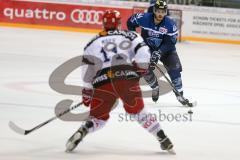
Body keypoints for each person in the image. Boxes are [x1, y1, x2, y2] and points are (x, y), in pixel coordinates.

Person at [65, 9, 174, 153]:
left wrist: (87, 90)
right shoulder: (130, 35)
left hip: (102, 80)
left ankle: (84, 129)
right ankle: (162, 136)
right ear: (118, 23)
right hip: (126, 77)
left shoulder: (92, 42)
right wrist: (141, 68)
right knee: (139, 112)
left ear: (103, 23)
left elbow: (87, 69)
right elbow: (143, 53)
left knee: (99, 118)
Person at [127, 0, 189, 105]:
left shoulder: (170, 25)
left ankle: (180, 94)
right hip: (148, 49)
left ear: (165, 12)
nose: (160, 14)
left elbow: (170, 43)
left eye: (163, 12)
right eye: (158, 11)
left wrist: (159, 52)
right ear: (154, 10)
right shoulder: (144, 18)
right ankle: (155, 86)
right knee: (143, 68)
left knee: (175, 69)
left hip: (167, 51)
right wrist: (134, 36)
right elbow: (130, 22)